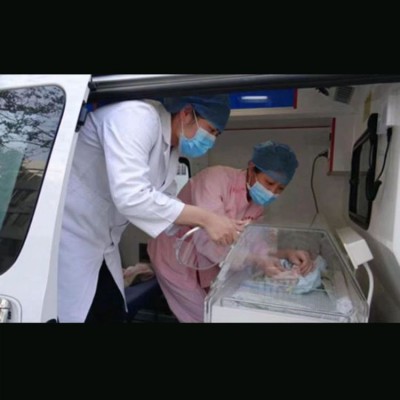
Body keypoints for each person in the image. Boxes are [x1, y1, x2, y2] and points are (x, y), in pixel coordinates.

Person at [58, 95, 245, 323]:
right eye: (210, 130)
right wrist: (206, 218)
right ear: (187, 113)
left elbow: (165, 200)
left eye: (216, 135)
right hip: (70, 237)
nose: (211, 140)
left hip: (102, 243)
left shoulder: (170, 148)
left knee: (112, 311)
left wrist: (210, 224)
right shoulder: (136, 117)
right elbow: (132, 196)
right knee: (81, 314)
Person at [147, 140, 315, 323]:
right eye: (269, 183)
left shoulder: (258, 205)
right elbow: (208, 239)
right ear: (251, 168)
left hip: (208, 260)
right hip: (175, 254)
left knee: (216, 306)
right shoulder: (214, 179)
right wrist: (257, 261)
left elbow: (254, 242)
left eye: (280, 189)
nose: (272, 192)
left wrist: (284, 253)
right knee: (203, 316)